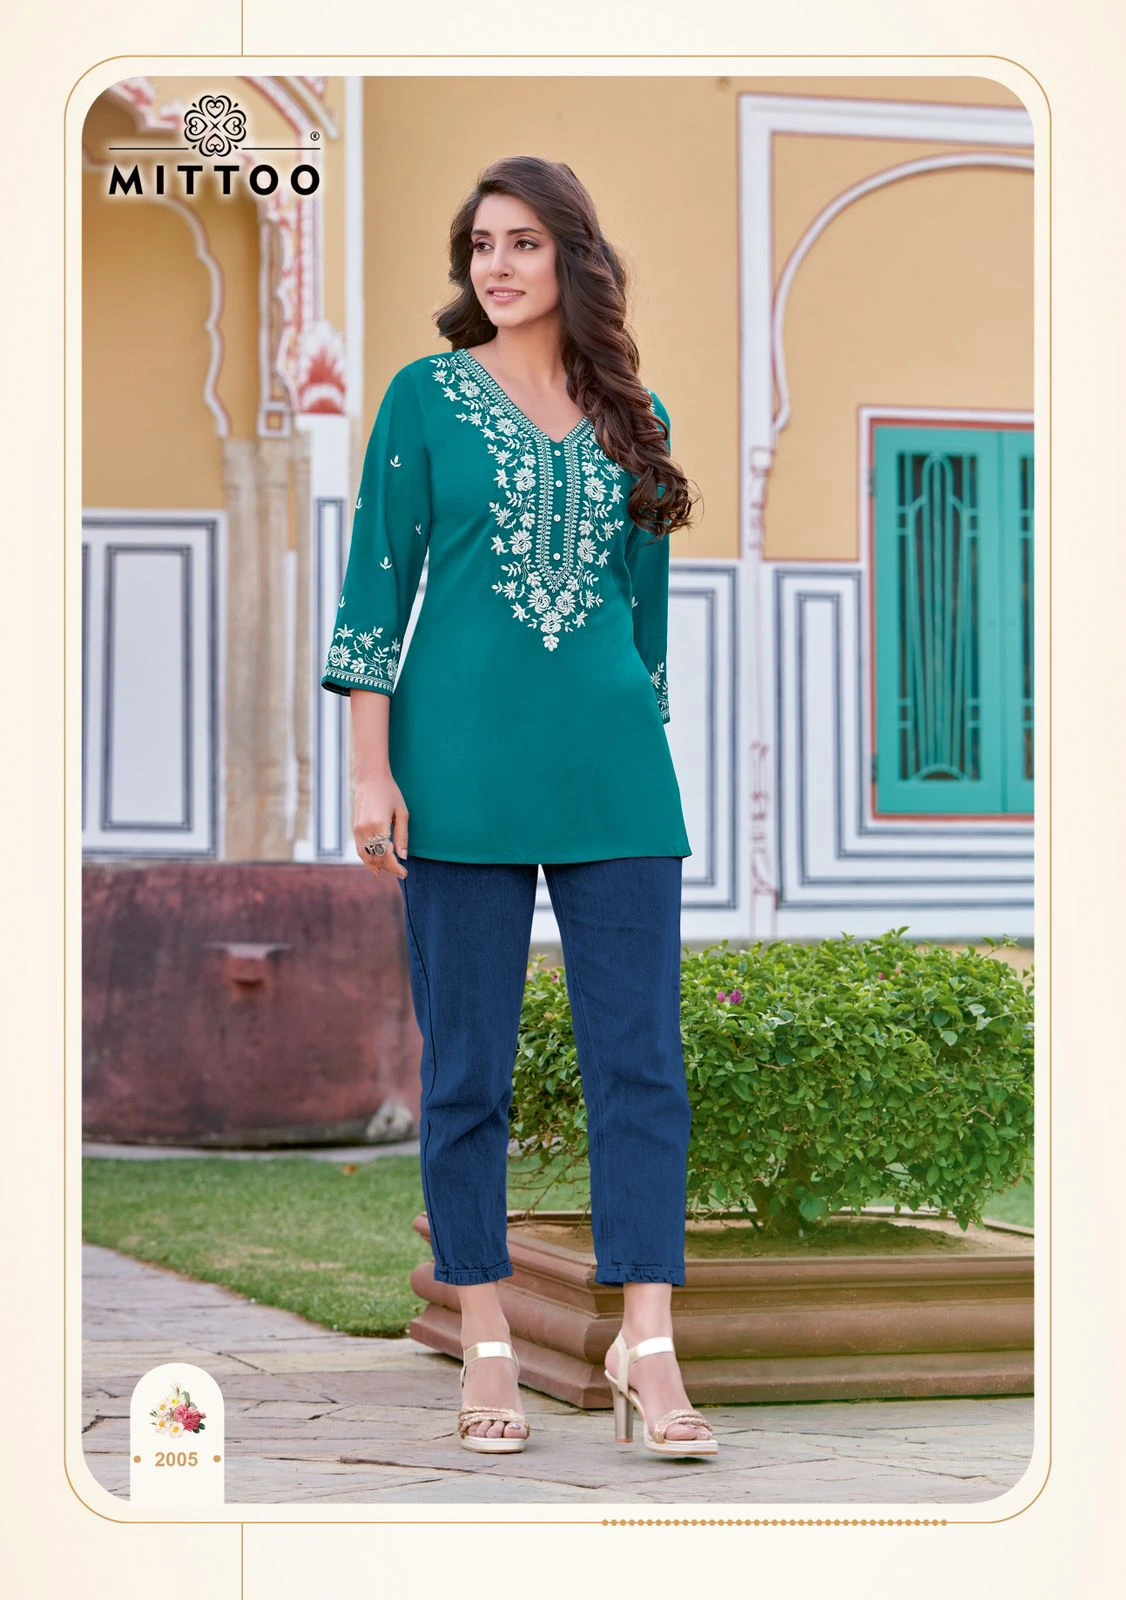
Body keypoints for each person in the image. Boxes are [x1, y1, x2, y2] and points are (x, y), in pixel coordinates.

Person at [321, 156, 716, 1461]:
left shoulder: (632, 414)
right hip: (458, 768)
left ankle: (645, 1341)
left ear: (572, 260)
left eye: (523, 243)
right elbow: (375, 595)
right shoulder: (424, 399)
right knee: (467, 1065)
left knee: (640, 1063)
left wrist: (632, 737)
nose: (496, 266)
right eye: (481, 245)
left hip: (614, 770)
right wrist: (372, 771)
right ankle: (484, 1332)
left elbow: (646, 627)